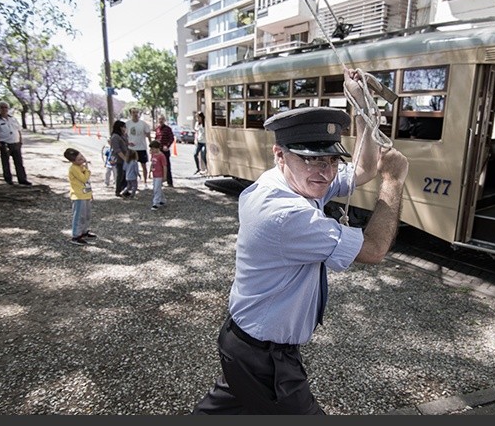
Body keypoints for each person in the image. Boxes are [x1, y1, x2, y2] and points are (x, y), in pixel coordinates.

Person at [192, 68, 409, 415]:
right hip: (264, 356)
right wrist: (394, 182)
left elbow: (362, 170)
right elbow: (374, 250)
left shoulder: (290, 182)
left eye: (330, 159)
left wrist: (364, 110)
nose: (324, 172)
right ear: (280, 155)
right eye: (309, 159)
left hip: (248, 343)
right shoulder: (285, 213)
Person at [0, 101, 32, 186]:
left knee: (19, 163)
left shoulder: (13, 119)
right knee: (6, 163)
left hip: (15, 143)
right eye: (2, 107)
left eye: (6, 107)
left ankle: (22, 179)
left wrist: (20, 141)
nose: (4, 109)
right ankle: (8, 180)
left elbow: (19, 130)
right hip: (5, 144)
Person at [63, 148, 96, 246]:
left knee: (86, 214)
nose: (82, 159)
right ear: (73, 161)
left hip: (85, 194)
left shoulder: (81, 166)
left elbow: (87, 183)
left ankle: (84, 231)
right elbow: (84, 179)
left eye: (82, 157)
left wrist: (90, 193)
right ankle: (76, 235)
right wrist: (88, 170)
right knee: (79, 216)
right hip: (78, 196)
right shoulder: (74, 168)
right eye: (79, 159)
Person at [125, 107, 152, 188]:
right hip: (131, 149)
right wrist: (127, 143)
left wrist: (151, 146)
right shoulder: (127, 124)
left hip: (142, 148)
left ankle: (145, 182)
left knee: (144, 166)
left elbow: (148, 135)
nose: (135, 114)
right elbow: (125, 136)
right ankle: (132, 183)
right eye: (133, 112)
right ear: (131, 114)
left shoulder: (143, 124)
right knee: (130, 166)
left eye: (137, 112)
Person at [109, 120, 130, 197]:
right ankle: (118, 190)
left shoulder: (122, 135)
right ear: (120, 127)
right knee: (120, 175)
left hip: (125, 156)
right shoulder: (115, 137)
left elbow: (124, 144)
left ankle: (125, 189)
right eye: (124, 127)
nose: (125, 128)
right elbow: (117, 150)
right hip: (119, 159)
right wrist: (124, 158)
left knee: (125, 175)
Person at [154, 114, 175, 187]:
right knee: (158, 166)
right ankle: (160, 181)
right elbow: (156, 139)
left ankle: (170, 182)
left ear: (164, 120)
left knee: (166, 165)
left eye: (162, 119)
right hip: (158, 150)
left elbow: (171, 138)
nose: (161, 121)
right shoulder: (157, 129)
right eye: (159, 119)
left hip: (165, 150)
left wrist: (167, 146)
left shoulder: (168, 129)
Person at [148, 140, 168, 211]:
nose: (152, 150)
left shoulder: (161, 156)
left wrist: (165, 176)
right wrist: (150, 171)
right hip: (154, 174)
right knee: (157, 187)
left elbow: (164, 166)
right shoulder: (153, 155)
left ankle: (156, 203)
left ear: (157, 148)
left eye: (153, 149)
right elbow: (152, 163)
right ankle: (162, 200)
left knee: (156, 188)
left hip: (160, 174)